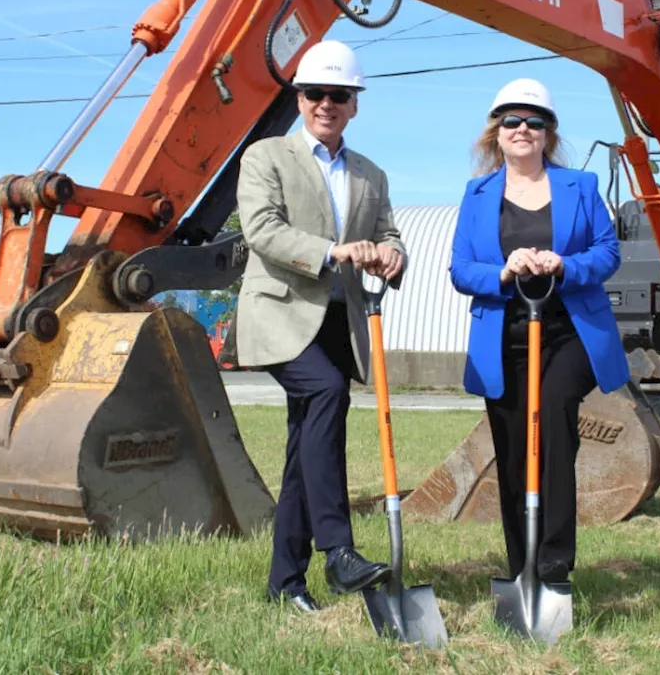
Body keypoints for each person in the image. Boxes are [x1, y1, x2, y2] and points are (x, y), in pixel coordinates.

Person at [234, 39, 407, 614]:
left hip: (338, 319)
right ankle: (338, 550)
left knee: (302, 448)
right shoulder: (265, 157)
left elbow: (388, 233)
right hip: (280, 313)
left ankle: (285, 583)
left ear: (354, 104)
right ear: (299, 98)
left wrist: (392, 254)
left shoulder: (370, 174)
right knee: (326, 392)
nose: (326, 104)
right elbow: (261, 229)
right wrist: (333, 252)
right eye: (315, 94)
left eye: (339, 95)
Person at [447, 77, 631, 585]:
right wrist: (504, 271)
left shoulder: (581, 187)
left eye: (535, 121)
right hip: (503, 335)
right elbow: (461, 269)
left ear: (548, 133)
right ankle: (521, 566)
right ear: (496, 132)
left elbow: (607, 253)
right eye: (512, 120)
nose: (523, 129)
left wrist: (565, 264)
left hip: (568, 331)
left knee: (552, 418)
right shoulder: (477, 195)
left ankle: (554, 558)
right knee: (510, 449)